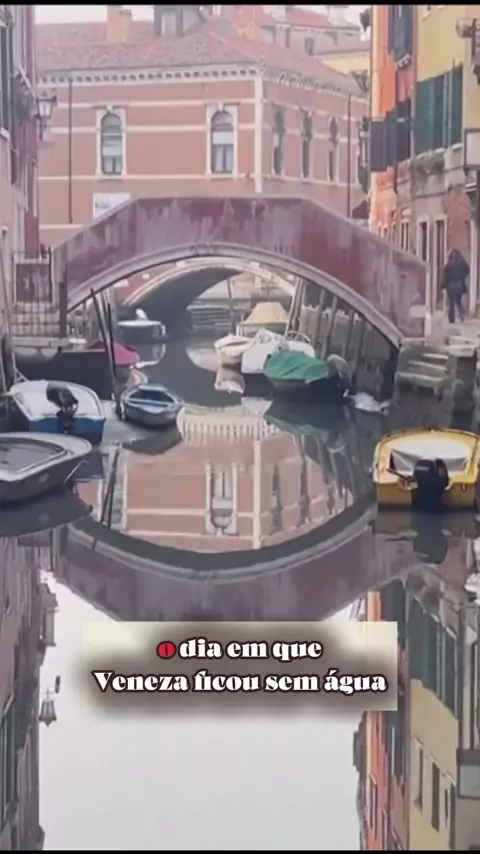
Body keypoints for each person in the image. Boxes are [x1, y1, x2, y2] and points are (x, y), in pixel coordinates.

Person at [441, 249, 470, 323]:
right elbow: (467, 270)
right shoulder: (462, 264)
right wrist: (462, 276)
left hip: (451, 285)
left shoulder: (448, 265)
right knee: (458, 300)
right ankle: (461, 315)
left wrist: (443, 286)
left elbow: (445, 276)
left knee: (451, 302)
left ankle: (452, 318)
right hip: (459, 284)